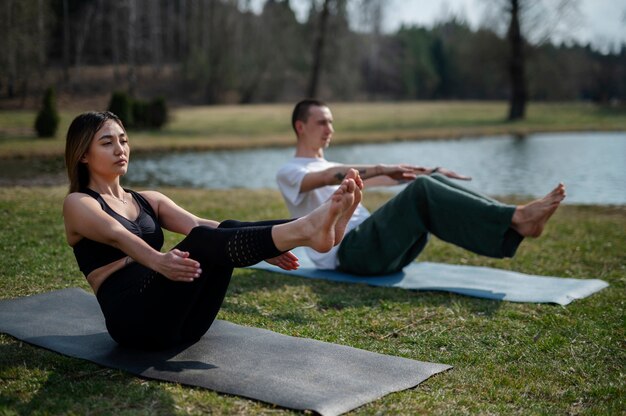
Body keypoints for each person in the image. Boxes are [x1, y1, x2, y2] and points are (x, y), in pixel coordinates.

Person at [63, 111, 361, 351]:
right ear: (83, 155)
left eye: (124, 140)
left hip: (186, 325)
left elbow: (203, 226)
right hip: (132, 323)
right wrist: (158, 260)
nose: (120, 150)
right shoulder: (78, 203)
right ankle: (308, 228)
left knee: (222, 230)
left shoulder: (148, 199)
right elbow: (117, 234)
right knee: (204, 241)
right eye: (107, 143)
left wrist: (263, 247)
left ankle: (308, 228)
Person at [276, 99, 566, 275]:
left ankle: (514, 225)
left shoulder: (334, 165)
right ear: (301, 127)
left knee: (429, 184)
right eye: (322, 122)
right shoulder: (291, 171)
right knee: (423, 191)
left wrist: (433, 171)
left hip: (380, 250)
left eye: (331, 122)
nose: (330, 129)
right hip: (350, 253)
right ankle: (516, 218)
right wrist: (379, 167)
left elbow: (388, 178)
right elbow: (328, 177)